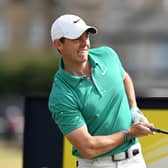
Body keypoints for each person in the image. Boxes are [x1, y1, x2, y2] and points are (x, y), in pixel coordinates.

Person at [48, 14, 154, 168]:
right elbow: (88, 148)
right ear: (59, 44)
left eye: (86, 36)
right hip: (96, 164)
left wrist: (134, 108)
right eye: (77, 38)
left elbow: (124, 78)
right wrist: (130, 133)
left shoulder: (107, 55)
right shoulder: (61, 95)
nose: (85, 43)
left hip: (135, 160)